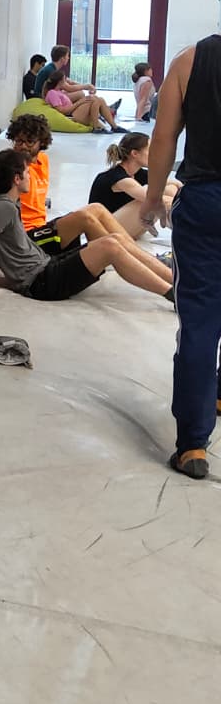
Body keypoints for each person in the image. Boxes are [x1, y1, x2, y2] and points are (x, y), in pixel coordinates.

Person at [0, 149, 176, 304]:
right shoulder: (1, 207)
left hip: (46, 263)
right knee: (111, 245)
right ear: (16, 179)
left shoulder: (0, 198)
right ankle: (172, 294)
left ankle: (174, 280)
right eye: (26, 173)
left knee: (115, 239)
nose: (30, 176)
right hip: (41, 282)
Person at [0, 115, 174, 290]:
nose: (21, 147)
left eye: (28, 142)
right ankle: (120, 258)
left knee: (95, 212)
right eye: (17, 141)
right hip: (29, 240)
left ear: (41, 144)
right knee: (95, 226)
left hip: (42, 231)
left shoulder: (42, 162)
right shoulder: (12, 170)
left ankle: (145, 264)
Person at [140, 32, 221, 479]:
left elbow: (164, 137)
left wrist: (153, 199)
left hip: (206, 202)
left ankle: (193, 445)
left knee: (200, 321)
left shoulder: (190, 61)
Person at [89, 131, 179, 238]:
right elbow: (153, 198)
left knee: (169, 189)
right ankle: (187, 232)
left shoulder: (138, 172)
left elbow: (175, 184)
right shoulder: (118, 177)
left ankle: (182, 229)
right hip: (101, 232)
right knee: (152, 200)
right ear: (135, 154)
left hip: (118, 226)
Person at [34, 44, 121, 126]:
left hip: (52, 94)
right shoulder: (51, 70)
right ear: (62, 58)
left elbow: (70, 82)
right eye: (67, 56)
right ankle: (95, 112)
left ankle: (102, 110)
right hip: (41, 97)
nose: (68, 58)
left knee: (81, 93)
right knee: (81, 94)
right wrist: (86, 87)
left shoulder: (53, 67)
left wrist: (86, 86)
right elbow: (69, 88)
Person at [44, 70, 119, 131]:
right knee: (94, 99)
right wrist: (80, 102)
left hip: (73, 112)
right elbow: (62, 111)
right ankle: (96, 127)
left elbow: (73, 88)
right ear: (60, 82)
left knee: (100, 99)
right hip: (71, 115)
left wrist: (82, 100)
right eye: (64, 80)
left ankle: (114, 126)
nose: (66, 82)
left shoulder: (59, 91)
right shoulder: (52, 93)